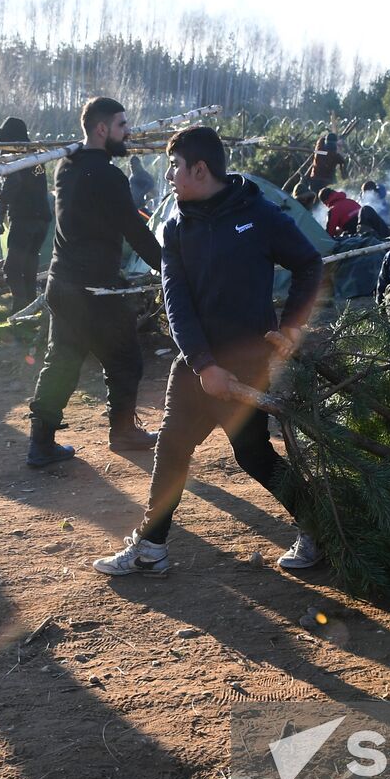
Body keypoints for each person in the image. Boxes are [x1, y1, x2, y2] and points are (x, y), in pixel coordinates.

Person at [93, 126, 324, 576]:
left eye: (175, 167)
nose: (170, 177)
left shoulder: (259, 214)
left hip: (247, 362)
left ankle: (319, 529)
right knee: (172, 447)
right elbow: (175, 300)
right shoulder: (178, 227)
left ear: (199, 169)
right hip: (196, 362)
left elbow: (308, 263)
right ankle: (150, 548)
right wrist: (203, 364)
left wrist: (293, 326)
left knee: (253, 454)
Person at [26, 96, 163, 467]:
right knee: (125, 359)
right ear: (102, 129)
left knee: (62, 362)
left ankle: (40, 444)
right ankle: (122, 432)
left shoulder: (66, 168)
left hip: (62, 283)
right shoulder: (107, 176)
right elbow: (134, 229)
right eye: (122, 125)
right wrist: (168, 267)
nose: (128, 132)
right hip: (95, 290)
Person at [0, 117, 53, 313]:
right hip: (42, 219)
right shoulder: (36, 154)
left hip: (25, 219)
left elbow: (14, 182)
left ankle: (19, 309)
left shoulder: (17, 157)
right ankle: (31, 310)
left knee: (11, 269)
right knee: (29, 267)